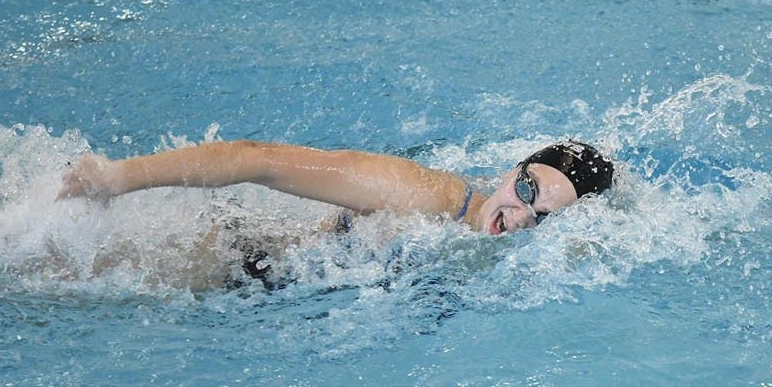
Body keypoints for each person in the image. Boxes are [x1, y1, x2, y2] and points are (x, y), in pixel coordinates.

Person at [57, 138, 614, 237]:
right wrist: (116, 178)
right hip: (234, 259)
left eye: (543, 217)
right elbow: (262, 160)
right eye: (527, 189)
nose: (519, 214)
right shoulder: (424, 195)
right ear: (510, 170)